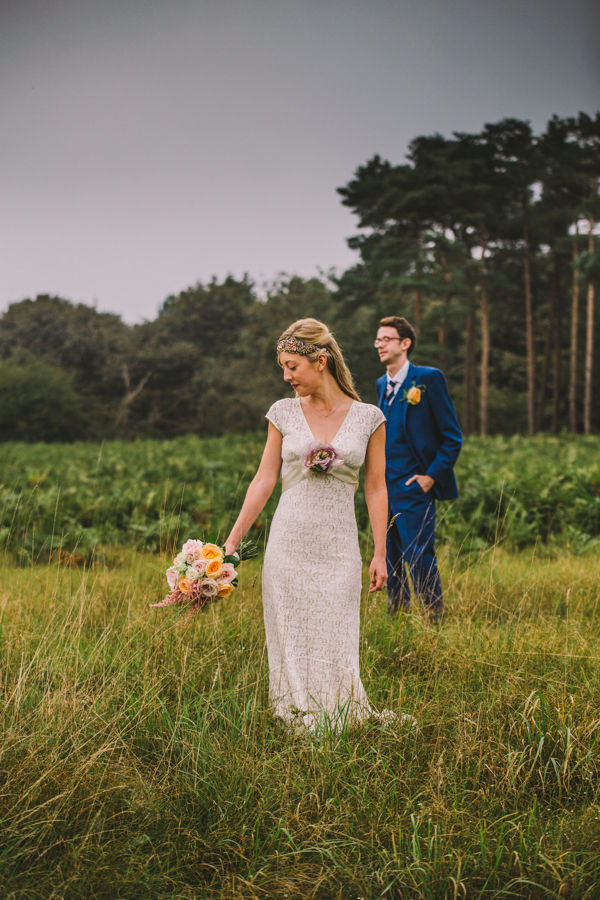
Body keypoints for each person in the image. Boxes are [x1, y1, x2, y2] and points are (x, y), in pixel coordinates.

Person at [225, 318, 389, 732]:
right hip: (289, 542)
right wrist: (228, 547)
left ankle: (339, 714)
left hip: (338, 546)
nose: (286, 376)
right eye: (282, 366)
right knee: (291, 633)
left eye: (292, 366)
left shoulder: (369, 417)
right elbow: (263, 481)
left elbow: (375, 488)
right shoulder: (282, 413)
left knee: (336, 630)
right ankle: (297, 717)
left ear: (320, 361)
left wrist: (381, 553)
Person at [375, 316, 462, 620]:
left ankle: (433, 618)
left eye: (386, 339)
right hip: (383, 488)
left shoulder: (428, 378)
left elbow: (453, 437)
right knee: (392, 557)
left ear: (405, 343)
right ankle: (396, 616)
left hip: (414, 487)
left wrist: (429, 478)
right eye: (377, 340)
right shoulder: (380, 384)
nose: (379, 344)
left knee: (419, 555)